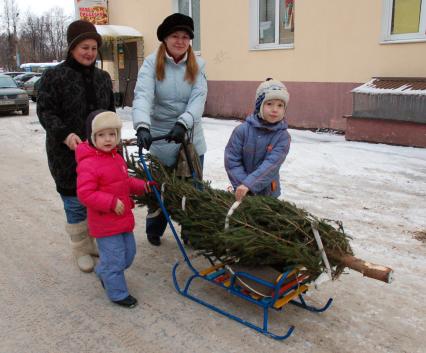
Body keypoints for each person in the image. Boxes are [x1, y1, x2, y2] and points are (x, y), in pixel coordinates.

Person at [37, 20, 115, 272]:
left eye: (93, 48)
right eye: (84, 47)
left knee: (96, 200)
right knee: (74, 202)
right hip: (66, 154)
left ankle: (91, 243)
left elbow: (110, 113)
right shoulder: (54, 76)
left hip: (99, 153)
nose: (90, 53)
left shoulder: (103, 78)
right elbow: (46, 112)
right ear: (71, 48)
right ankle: (81, 248)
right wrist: (65, 134)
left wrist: (115, 142)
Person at [132, 13, 208, 246]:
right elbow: (143, 96)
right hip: (161, 137)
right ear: (165, 39)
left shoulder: (198, 65)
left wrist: (183, 123)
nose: (180, 41)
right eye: (175, 36)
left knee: (191, 191)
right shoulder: (151, 64)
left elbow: (198, 98)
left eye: (185, 37)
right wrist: (143, 126)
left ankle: (190, 231)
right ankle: (155, 228)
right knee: (159, 190)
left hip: (189, 137)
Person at [76, 110, 151, 308]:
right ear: (92, 137)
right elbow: (85, 193)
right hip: (105, 223)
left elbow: (124, 182)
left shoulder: (116, 158)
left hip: (122, 219)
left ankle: (105, 271)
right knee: (116, 259)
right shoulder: (89, 164)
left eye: (112, 134)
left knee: (128, 255)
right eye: (101, 135)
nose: (108, 139)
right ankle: (117, 293)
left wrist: (142, 186)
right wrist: (109, 202)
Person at [224, 79, 291, 201]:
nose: (275, 109)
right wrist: (242, 185)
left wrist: (249, 185)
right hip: (241, 192)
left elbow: (271, 165)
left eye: (280, 105)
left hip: (269, 195)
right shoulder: (242, 131)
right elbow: (232, 161)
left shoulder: (282, 137)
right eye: (269, 104)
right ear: (259, 106)